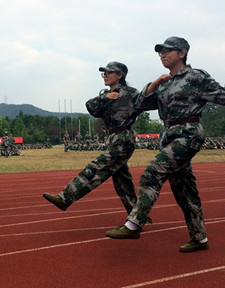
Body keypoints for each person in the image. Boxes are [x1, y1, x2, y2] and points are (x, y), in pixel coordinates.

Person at [105, 36, 225, 252]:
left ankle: (134, 223)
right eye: (160, 52)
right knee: (184, 189)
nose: (162, 54)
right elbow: (139, 103)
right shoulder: (165, 82)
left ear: (182, 53)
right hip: (168, 134)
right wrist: (154, 84)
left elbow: (222, 95)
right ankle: (199, 238)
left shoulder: (196, 76)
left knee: (152, 172)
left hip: (188, 133)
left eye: (168, 50)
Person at [43, 62, 150, 217]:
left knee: (96, 167)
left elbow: (146, 101)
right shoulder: (105, 95)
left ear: (120, 75)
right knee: (122, 181)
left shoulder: (131, 93)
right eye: (103, 73)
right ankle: (137, 215)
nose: (105, 76)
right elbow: (91, 107)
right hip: (112, 138)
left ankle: (65, 197)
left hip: (124, 137)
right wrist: (104, 97)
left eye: (108, 73)